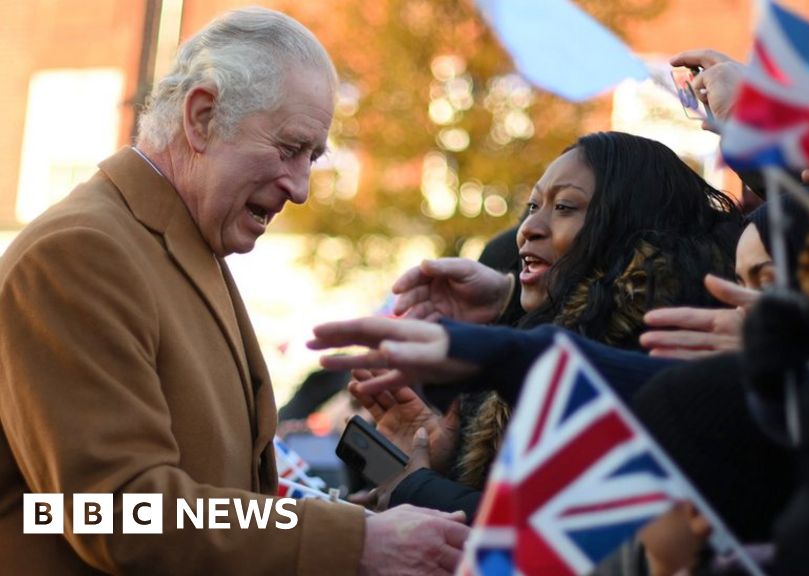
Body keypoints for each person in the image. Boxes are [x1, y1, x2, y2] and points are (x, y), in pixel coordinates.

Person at [0, 8, 466, 575]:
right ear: (202, 116)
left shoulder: (175, 243)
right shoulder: (83, 252)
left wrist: (370, 520)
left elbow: (221, 493)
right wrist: (350, 542)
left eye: (313, 158)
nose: (300, 188)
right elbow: (119, 510)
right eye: (290, 148)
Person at [348, 132, 743, 514]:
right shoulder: (545, 334)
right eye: (534, 206)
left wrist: (417, 489)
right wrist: (436, 461)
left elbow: (573, 536)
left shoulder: (658, 356)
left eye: (565, 207)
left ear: (627, 224)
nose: (528, 229)